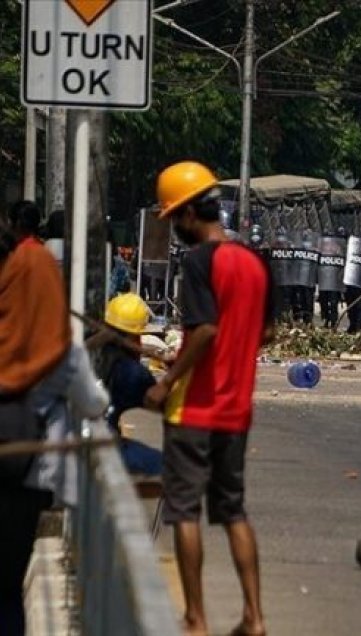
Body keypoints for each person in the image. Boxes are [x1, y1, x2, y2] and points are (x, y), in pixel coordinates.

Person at [144, 162, 272, 636]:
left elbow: (204, 330)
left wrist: (167, 381)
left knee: (183, 511)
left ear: (190, 214)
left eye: (176, 217)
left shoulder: (199, 262)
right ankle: (254, 618)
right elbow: (266, 330)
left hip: (194, 409)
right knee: (234, 511)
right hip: (237, 410)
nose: (175, 228)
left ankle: (195, 619)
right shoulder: (255, 262)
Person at [0, 201, 71, 635]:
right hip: (25, 458)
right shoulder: (37, 268)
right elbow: (69, 370)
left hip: (22, 454)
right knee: (7, 589)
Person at [86, 293, 164, 475]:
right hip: (101, 450)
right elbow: (161, 404)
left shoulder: (91, 352)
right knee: (168, 465)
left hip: (71, 443)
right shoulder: (133, 374)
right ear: (135, 336)